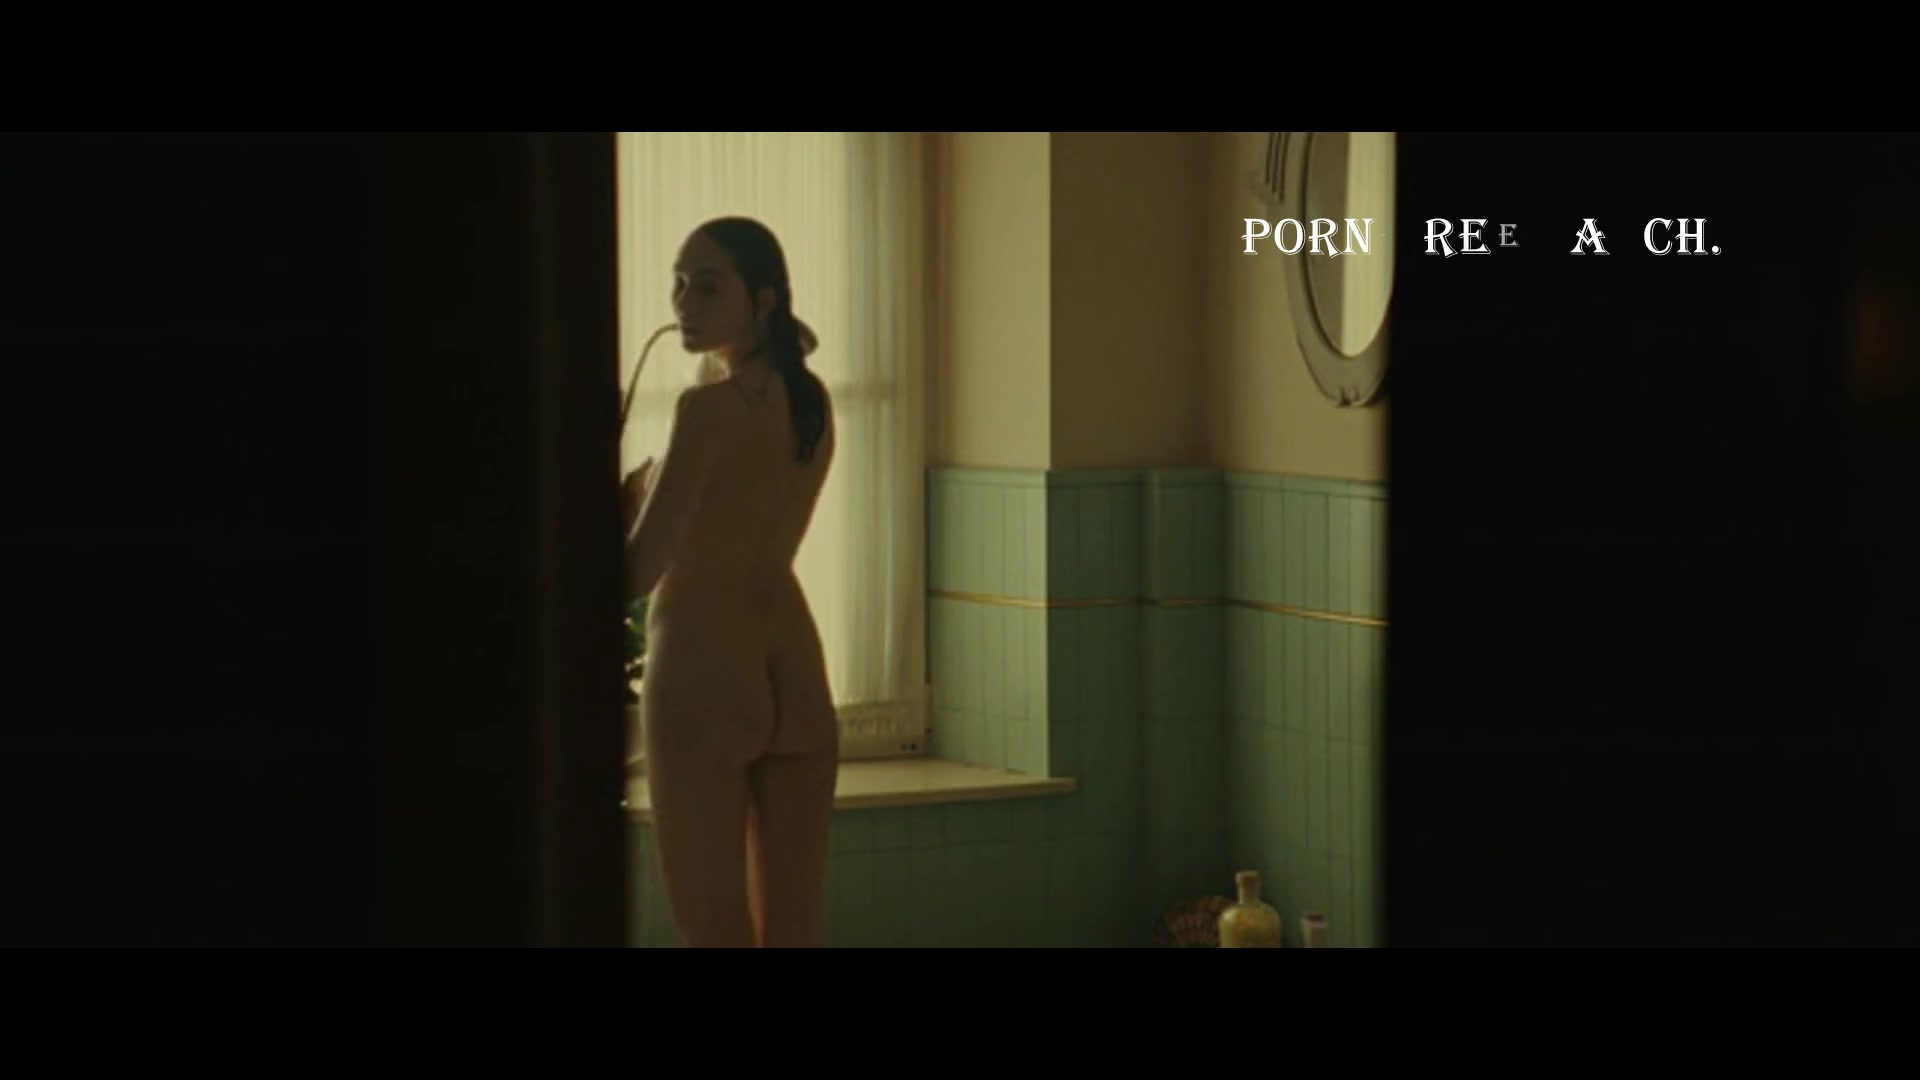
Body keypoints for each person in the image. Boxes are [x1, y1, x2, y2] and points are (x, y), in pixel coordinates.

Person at [622, 216, 839, 947]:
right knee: (794, 933)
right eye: (679, 284)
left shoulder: (704, 411)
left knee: (713, 932)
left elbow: (638, 570)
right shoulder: (811, 400)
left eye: (708, 287)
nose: (684, 302)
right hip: (793, 665)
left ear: (764, 300)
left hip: (703, 670)